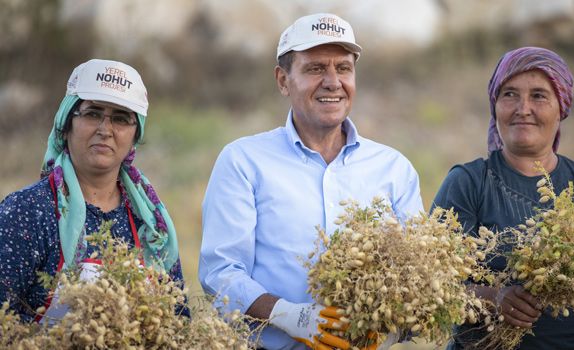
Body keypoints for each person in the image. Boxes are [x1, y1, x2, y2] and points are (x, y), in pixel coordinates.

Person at [199, 13, 423, 350]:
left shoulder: (393, 168)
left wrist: (392, 325)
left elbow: (418, 269)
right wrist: (286, 314)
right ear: (283, 80)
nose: (333, 82)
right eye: (315, 68)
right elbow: (220, 271)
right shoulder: (244, 161)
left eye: (343, 68)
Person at [432, 46, 574, 349]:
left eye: (539, 95)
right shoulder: (468, 183)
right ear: (495, 106)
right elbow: (432, 287)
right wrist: (493, 298)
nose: (523, 108)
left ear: (561, 107)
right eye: (510, 94)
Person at [0, 59, 186, 322]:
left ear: (135, 136)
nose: (105, 130)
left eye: (121, 119)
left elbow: (179, 319)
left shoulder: (151, 223)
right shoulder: (27, 212)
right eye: (92, 113)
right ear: (66, 125)